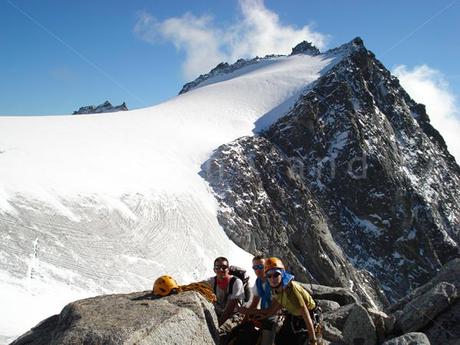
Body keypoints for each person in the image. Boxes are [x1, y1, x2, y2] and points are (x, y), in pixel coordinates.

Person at [258, 257, 319, 345]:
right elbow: (279, 304)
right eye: (269, 275)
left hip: (308, 315)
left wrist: (313, 340)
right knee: (280, 340)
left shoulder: (291, 290)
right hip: (294, 315)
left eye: (276, 274)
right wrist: (265, 316)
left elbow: (306, 315)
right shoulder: (276, 289)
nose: (272, 278)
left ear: (282, 274)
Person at [237, 255, 279, 345]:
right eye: (255, 267)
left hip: (276, 314)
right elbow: (254, 303)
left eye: (261, 266)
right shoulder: (258, 282)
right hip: (265, 312)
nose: (258, 270)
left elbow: (276, 308)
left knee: (268, 326)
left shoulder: (274, 280)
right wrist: (243, 322)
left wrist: (249, 311)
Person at [204, 256, 245, 326]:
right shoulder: (211, 281)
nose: (221, 269)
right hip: (219, 313)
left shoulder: (236, 282)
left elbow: (230, 308)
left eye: (224, 267)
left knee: (221, 333)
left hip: (234, 315)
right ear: (214, 270)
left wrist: (218, 326)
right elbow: (196, 286)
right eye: (217, 267)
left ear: (228, 269)